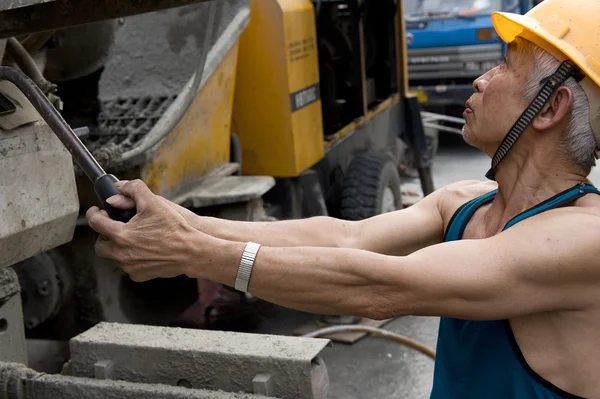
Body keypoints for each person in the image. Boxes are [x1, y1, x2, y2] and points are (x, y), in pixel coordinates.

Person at [86, 0, 600, 397]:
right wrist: (185, 223)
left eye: (506, 65)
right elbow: (346, 236)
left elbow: (376, 287)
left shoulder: (583, 239)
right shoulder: (469, 201)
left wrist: (192, 253)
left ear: (550, 106)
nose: (480, 78)